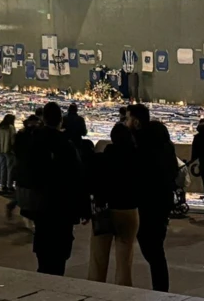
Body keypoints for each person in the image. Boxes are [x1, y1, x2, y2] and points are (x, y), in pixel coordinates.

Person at [20, 102, 87, 276]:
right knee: (59, 258)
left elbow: (25, 172)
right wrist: (84, 208)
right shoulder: (66, 145)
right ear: (60, 122)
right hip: (62, 206)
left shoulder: (33, 141)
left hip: (40, 205)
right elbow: (78, 177)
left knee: (43, 250)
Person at [130, 103, 177, 292]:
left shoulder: (143, 146)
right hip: (162, 202)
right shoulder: (165, 147)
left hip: (148, 203)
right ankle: (161, 289)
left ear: (136, 121)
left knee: (152, 250)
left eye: (127, 119)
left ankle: (160, 290)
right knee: (156, 250)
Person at [87, 114, 139, 286]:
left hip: (105, 210)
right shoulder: (136, 159)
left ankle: (94, 292)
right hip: (128, 209)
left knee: (98, 258)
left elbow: (93, 183)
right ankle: (122, 294)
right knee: (125, 259)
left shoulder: (103, 159)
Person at [7, 114, 40, 221]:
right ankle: (28, 216)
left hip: (24, 166)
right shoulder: (28, 134)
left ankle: (15, 207)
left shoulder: (24, 133)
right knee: (27, 191)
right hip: (27, 167)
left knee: (24, 191)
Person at [0, 114, 16, 193]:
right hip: (8, 150)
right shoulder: (11, 127)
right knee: (10, 168)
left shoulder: (0, 127)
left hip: (0, 150)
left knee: (3, 167)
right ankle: (10, 185)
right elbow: (13, 139)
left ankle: (3, 185)